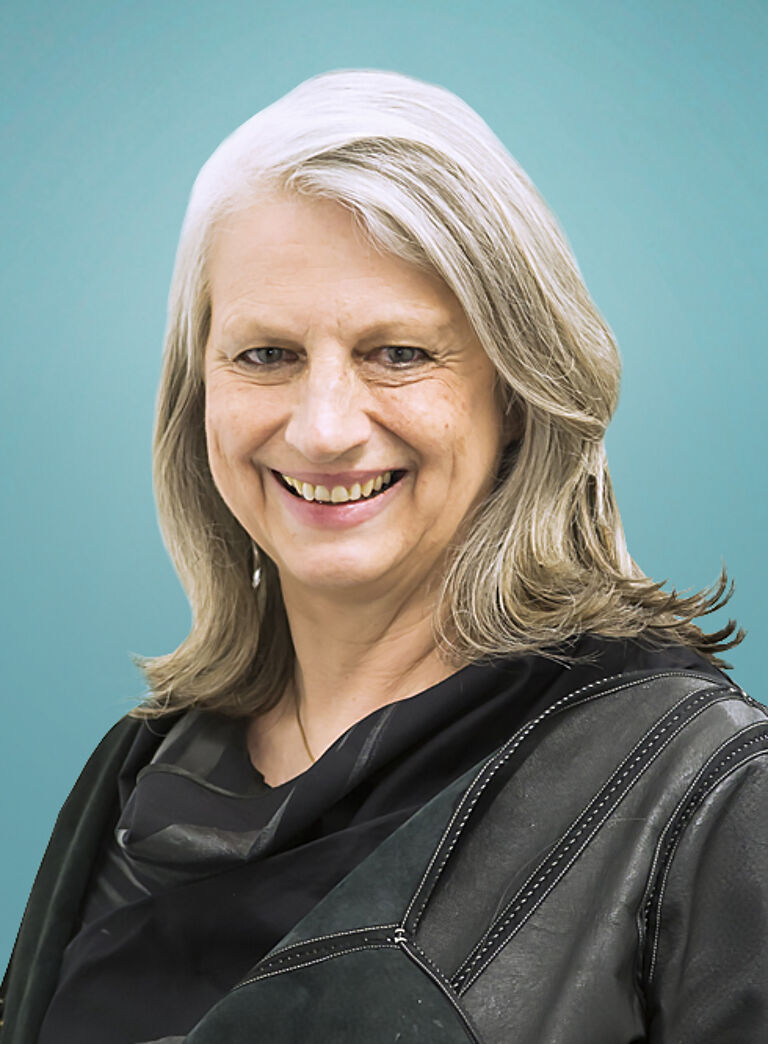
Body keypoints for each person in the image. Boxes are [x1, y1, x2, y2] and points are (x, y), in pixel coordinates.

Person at [2, 68, 766, 1043]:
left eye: (398, 353)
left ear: (520, 393)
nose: (323, 430)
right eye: (265, 354)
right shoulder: (134, 775)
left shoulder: (703, 788)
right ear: (197, 398)